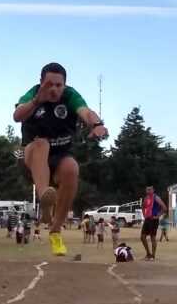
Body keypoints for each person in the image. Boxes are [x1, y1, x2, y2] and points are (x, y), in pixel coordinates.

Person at [13, 62, 108, 256]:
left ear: (64, 84)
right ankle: (44, 197)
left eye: (59, 85)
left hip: (58, 160)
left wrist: (96, 124)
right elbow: (17, 116)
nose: (54, 90)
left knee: (72, 168)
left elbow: (86, 112)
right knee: (42, 144)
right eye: (50, 85)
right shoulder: (32, 94)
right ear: (41, 83)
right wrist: (36, 100)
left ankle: (55, 231)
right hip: (32, 158)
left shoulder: (70, 96)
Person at [139, 185, 168, 261]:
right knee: (142, 237)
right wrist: (144, 215)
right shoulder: (146, 198)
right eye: (147, 189)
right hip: (147, 219)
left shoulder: (156, 197)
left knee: (153, 237)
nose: (148, 191)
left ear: (153, 189)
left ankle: (153, 255)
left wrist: (158, 215)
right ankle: (148, 254)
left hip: (153, 219)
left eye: (150, 189)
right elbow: (143, 207)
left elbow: (164, 207)